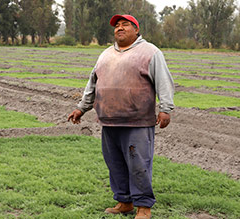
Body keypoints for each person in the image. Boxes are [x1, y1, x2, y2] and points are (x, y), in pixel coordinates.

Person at [68, 14, 174, 219]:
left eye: (125, 25)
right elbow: (93, 83)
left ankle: (143, 206)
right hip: (108, 120)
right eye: (117, 26)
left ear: (137, 29)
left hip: (137, 122)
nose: (120, 28)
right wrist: (82, 108)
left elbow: (164, 81)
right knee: (115, 163)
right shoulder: (105, 54)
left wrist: (166, 108)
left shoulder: (150, 52)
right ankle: (124, 201)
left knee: (138, 164)